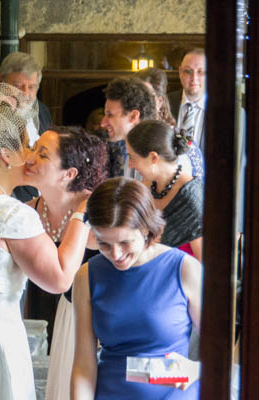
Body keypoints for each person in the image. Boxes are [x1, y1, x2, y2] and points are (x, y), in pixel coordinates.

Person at [0, 84, 91, 400]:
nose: (31, 157)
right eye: (27, 147)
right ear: (6, 156)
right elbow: (60, 278)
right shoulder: (12, 214)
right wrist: (82, 212)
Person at [71, 177, 203, 400]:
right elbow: (84, 364)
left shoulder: (185, 269)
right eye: (104, 244)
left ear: (146, 229)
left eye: (125, 242)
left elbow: (221, 354)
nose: (116, 255)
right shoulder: (87, 276)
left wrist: (195, 369)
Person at [21, 126, 107, 400]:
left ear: (69, 174)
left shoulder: (99, 212)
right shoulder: (27, 212)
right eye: (33, 149)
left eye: (43, 155)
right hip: (45, 323)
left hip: (93, 326)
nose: (30, 158)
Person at [126, 119, 203, 261]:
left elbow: (205, 264)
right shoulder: (149, 182)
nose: (130, 165)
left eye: (132, 158)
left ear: (153, 157)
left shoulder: (192, 200)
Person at [0, 51, 54, 202]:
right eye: (17, 86)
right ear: (0, 81)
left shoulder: (42, 111)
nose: (25, 93)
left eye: (32, 87)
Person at [135, 67, 204, 179]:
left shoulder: (181, 142)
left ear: (159, 101)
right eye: (133, 97)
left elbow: (196, 184)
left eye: (145, 97)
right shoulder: (122, 139)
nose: (136, 104)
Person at [100, 77, 156, 178]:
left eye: (110, 115)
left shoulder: (156, 159)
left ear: (133, 116)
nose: (102, 123)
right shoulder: (115, 150)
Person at [167, 48, 207, 154]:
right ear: (180, 72)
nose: (194, 78)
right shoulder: (164, 103)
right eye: (188, 71)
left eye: (201, 72)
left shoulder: (226, 111)